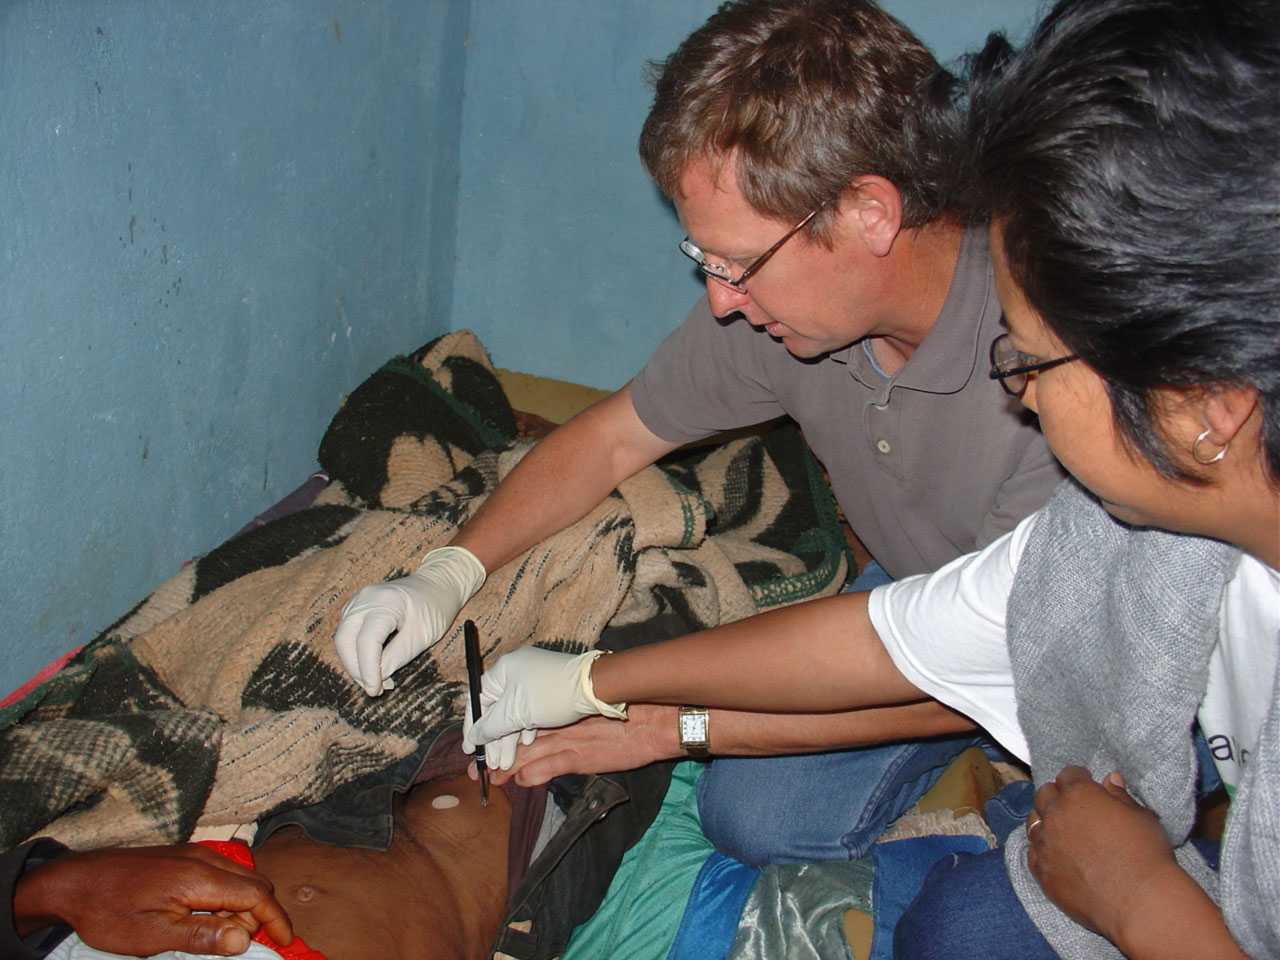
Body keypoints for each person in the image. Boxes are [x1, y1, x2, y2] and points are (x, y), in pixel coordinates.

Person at [464, 0, 1280, 955]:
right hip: (978, 614)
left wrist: (1140, 898)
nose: (1014, 383)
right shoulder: (1118, 539)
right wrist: (536, 639)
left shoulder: (1119, 510)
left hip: (1066, 681)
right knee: (756, 816)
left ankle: (1038, 806)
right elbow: (892, 635)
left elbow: (979, 658)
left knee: (967, 913)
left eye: (1027, 361)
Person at [335, 0, 1062, 868]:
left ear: (870, 212)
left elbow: (967, 672)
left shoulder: (1053, 372)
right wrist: (445, 574)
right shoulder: (776, 313)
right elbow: (609, 438)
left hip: (1025, 647)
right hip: (909, 591)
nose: (720, 300)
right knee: (752, 809)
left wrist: (654, 723)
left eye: (738, 265)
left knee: (781, 817)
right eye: (703, 263)